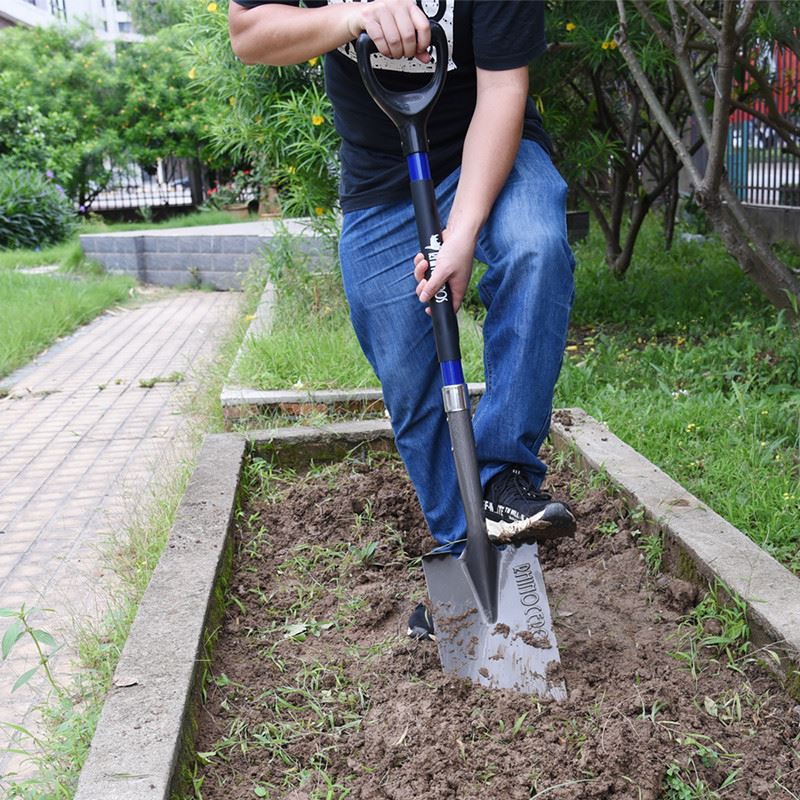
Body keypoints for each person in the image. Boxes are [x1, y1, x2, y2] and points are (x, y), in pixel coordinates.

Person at [229, 0, 577, 639]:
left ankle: (502, 476)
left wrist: (462, 233)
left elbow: (504, 88)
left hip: (494, 148)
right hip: (381, 179)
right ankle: (468, 554)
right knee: (405, 364)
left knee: (535, 247)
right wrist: (351, 17)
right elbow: (249, 34)